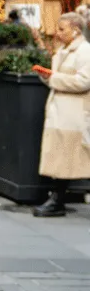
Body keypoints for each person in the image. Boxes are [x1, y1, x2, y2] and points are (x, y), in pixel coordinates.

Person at [33, 12, 90, 218]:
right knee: (63, 159)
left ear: (75, 30)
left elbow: (84, 81)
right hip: (62, 112)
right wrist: (47, 77)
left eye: (62, 29)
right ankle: (56, 199)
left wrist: (54, 78)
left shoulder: (84, 51)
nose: (57, 33)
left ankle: (56, 200)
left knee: (71, 158)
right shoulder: (64, 50)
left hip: (72, 115)